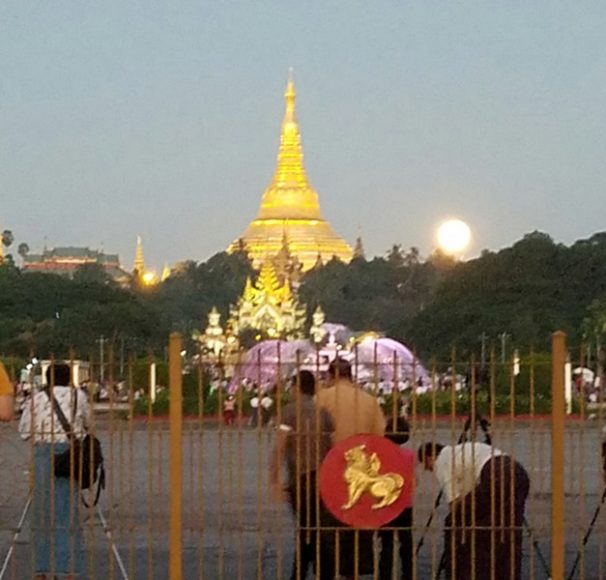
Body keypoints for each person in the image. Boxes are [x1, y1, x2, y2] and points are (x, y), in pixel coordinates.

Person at [19, 362, 92, 580]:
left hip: (43, 454)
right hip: (68, 455)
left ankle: (40, 568)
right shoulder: (78, 396)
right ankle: (66, 568)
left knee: (41, 513)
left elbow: (24, 431)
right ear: (70, 377)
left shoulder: (35, 398)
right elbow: (88, 424)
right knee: (67, 513)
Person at [418, 441, 530, 580]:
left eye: (426, 465)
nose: (429, 469)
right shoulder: (463, 450)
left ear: (429, 457)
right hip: (519, 473)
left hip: (495, 474)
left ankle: (461, 572)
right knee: (508, 530)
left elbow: (455, 503)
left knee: (454, 522)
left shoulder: (442, 460)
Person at [316, 358, 386, 579]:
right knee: (357, 524)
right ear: (350, 374)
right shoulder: (369, 401)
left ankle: (328, 570)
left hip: (329, 467)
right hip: (361, 470)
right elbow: (381, 438)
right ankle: (354, 572)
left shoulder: (322, 398)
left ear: (332, 375)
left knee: (328, 527)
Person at [269, 370, 334, 580]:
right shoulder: (323, 412)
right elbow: (331, 447)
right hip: (322, 479)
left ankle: (300, 573)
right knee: (317, 530)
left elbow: (280, 447)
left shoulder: (289, 411)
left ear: (296, 387)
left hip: (300, 478)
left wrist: (274, 479)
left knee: (307, 530)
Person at [379, 416, 414, 580]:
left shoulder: (380, 454)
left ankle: (384, 575)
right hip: (405, 504)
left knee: (386, 544)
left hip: (386, 504)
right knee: (406, 542)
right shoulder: (409, 455)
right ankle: (408, 573)